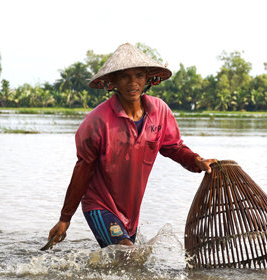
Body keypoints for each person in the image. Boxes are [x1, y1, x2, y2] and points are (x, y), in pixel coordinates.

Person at [47, 43, 216, 248]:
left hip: (130, 211)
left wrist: (197, 161)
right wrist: (65, 218)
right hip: (99, 204)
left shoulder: (159, 111)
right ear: (114, 81)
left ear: (147, 79)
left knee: (125, 265)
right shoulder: (97, 122)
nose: (133, 83)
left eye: (138, 76)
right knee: (129, 254)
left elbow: (173, 147)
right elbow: (83, 169)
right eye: (125, 76)